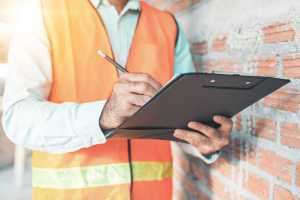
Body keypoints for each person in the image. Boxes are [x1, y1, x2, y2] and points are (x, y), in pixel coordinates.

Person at [3, 0, 233, 199]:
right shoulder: (44, 12)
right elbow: (18, 119)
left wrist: (204, 142)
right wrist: (104, 115)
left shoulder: (168, 26)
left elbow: (182, 123)